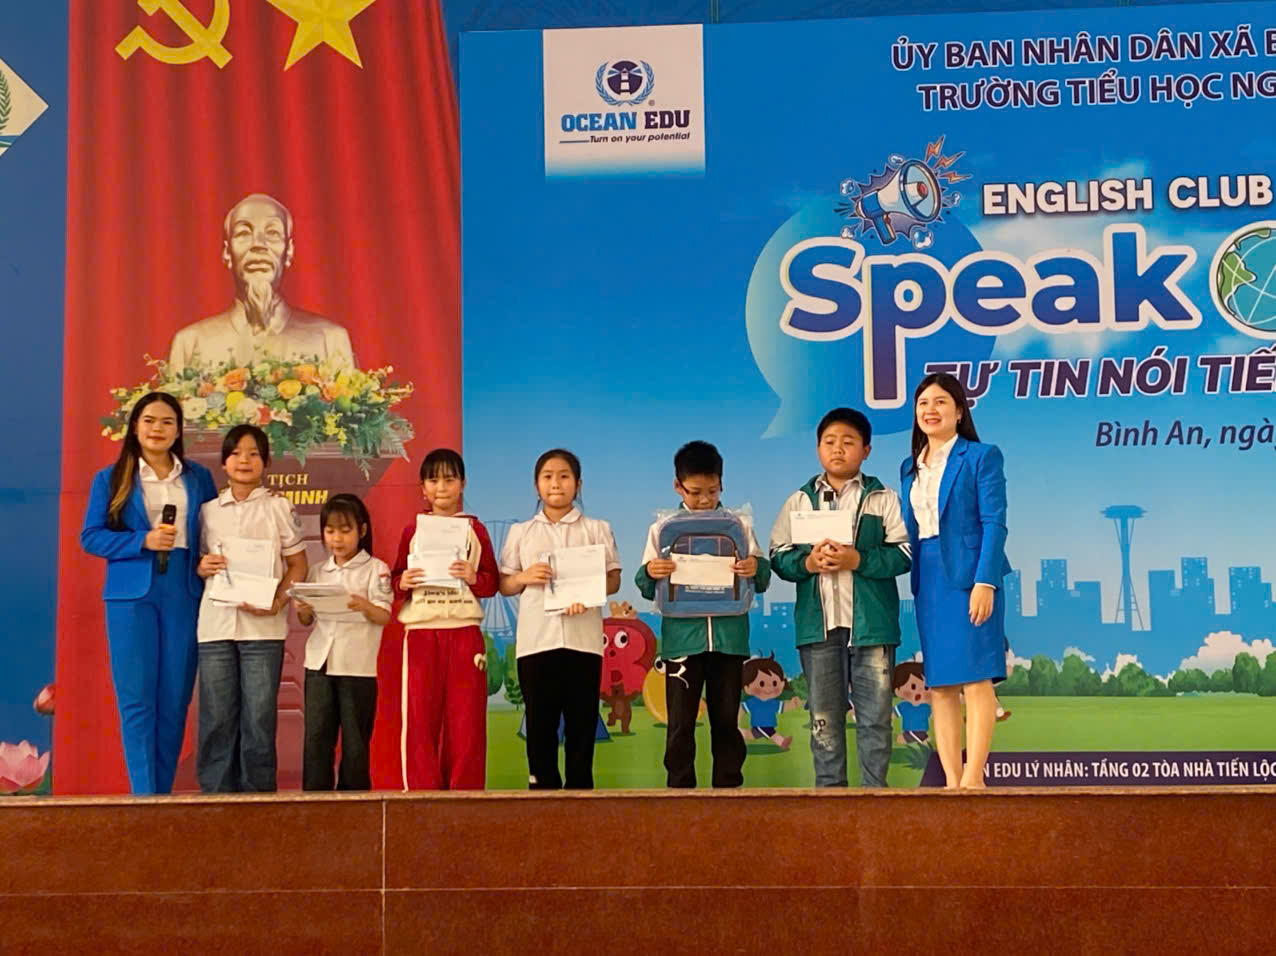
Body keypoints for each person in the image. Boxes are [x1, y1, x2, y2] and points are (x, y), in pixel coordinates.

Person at [81, 391, 218, 794]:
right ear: (135, 427)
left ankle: (163, 795)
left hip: (184, 589)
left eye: (167, 422)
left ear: (178, 431)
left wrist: (205, 561)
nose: (157, 429)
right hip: (131, 596)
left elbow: (213, 530)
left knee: (175, 698)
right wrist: (142, 540)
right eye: (149, 421)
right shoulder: (111, 477)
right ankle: (144, 797)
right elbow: (91, 537)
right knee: (137, 699)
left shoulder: (198, 477)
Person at [769, 407, 911, 787]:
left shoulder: (882, 498)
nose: (837, 449)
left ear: (866, 450)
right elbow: (778, 556)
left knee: (876, 720)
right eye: (829, 442)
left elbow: (905, 553)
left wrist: (857, 560)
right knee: (824, 722)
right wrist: (808, 563)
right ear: (818, 449)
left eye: (848, 442)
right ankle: (830, 801)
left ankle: (874, 800)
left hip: (872, 629)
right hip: (819, 629)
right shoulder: (799, 501)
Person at [636, 440, 771, 788]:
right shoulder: (663, 529)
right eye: (695, 492)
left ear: (722, 484)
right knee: (680, 723)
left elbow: (762, 576)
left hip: (729, 640)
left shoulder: (738, 526)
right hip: (682, 641)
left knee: (726, 721)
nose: (704, 499)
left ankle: (729, 788)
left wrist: (754, 567)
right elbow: (644, 582)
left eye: (712, 491)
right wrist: (651, 571)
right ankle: (679, 791)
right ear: (677, 486)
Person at [899, 372, 1011, 789]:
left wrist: (986, 581)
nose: (930, 410)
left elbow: (994, 522)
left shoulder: (981, 456)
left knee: (976, 679)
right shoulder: (909, 467)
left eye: (941, 401)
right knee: (941, 685)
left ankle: (973, 777)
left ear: (959, 411)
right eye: (923, 403)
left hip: (971, 576)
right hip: (928, 579)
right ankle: (950, 781)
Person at [195, 424, 309, 792]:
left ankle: (259, 804)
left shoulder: (278, 507)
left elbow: (299, 565)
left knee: (258, 721)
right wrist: (202, 566)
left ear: (266, 462)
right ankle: (215, 801)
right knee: (216, 720)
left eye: (253, 453)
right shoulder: (207, 512)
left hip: (264, 630)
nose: (244, 460)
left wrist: (278, 602)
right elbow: (195, 564)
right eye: (235, 453)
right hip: (215, 628)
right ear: (223, 462)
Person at [499, 449, 621, 789]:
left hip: (583, 642)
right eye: (548, 476)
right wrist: (524, 577)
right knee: (540, 723)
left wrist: (590, 592)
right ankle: (542, 793)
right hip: (537, 642)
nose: (556, 483)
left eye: (564, 476)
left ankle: (581, 793)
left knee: (582, 724)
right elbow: (505, 585)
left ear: (578, 484)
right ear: (536, 485)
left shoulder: (597, 529)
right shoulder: (521, 532)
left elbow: (614, 579)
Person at [389, 448, 499, 790]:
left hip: (464, 632)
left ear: (462, 484)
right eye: (433, 480)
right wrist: (403, 582)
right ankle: (421, 798)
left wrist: (473, 576)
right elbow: (396, 580)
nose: (441, 488)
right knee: (419, 719)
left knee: (466, 722)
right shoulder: (413, 530)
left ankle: (465, 798)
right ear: (423, 487)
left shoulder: (475, 530)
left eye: (449, 480)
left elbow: (491, 583)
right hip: (422, 632)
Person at [168, 193, 356, 370]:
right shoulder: (191, 343)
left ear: (289, 251)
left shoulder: (329, 340)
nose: (258, 244)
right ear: (227, 253)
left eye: (272, 232)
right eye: (243, 233)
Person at [293, 494, 391, 791]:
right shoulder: (317, 571)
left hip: (356, 666)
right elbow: (306, 621)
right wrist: (302, 609)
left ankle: (354, 805)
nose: (337, 539)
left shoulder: (376, 569)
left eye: (345, 531)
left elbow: (384, 616)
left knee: (355, 743)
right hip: (319, 663)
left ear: (362, 530)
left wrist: (364, 605)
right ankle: (315, 803)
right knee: (316, 739)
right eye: (330, 531)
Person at [739, 654, 796, 750]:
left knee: (750, 735)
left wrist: (792, 704)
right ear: (747, 687)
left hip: (768, 724)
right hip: (760, 725)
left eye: (774, 683)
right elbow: (741, 709)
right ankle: (782, 742)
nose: (769, 688)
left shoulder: (773, 702)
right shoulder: (753, 702)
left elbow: (783, 707)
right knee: (771, 733)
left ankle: (737, 734)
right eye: (762, 684)